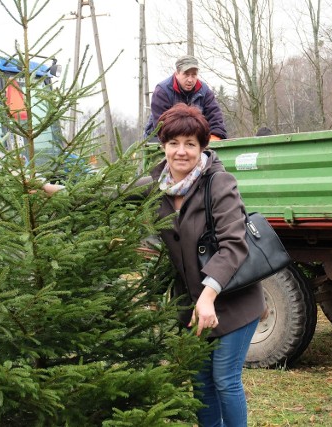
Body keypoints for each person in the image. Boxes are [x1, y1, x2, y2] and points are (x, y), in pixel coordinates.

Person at [42, 103, 263, 426]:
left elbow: (234, 244)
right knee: (200, 382)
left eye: (190, 144)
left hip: (232, 300)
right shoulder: (155, 184)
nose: (181, 152)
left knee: (225, 381)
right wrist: (51, 192)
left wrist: (208, 295)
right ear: (163, 146)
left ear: (203, 147)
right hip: (190, 305)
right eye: (173, 143)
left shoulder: (218, 183)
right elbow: (106, 195)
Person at [143, 55, 227, 142]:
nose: (190, 80)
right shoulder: (162, 91)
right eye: (186, 74)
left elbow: (215, 117)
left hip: (194, 140)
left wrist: (214, 136)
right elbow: (161, 126)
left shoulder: (205, 91)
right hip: (160, 139)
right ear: (177, 74)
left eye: (194, 75)